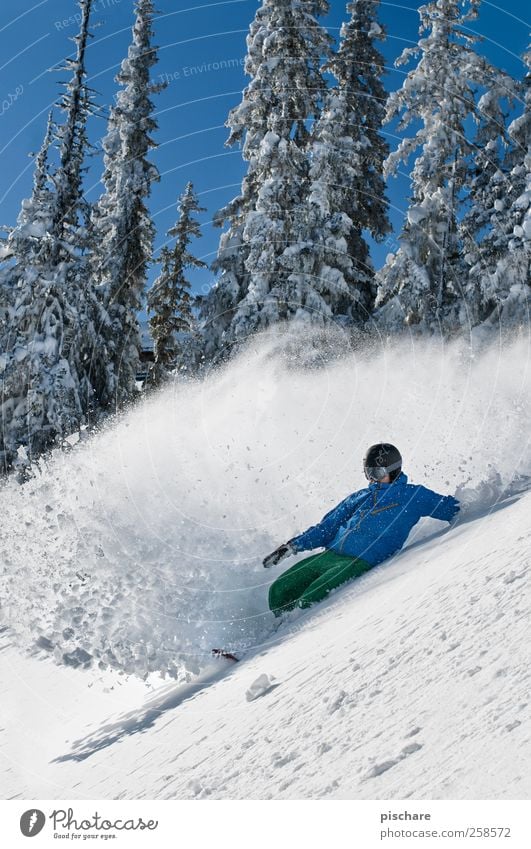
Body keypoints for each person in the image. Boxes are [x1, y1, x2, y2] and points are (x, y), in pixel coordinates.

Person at [264, 443, 460, 616]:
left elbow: (452, 509)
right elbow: (327, 527)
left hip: (360, 561)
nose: (372, 479)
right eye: (369, 473)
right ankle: (279, 628)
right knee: (280, 590)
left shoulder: (413, 495)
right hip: (330, 555)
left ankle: (291, 635)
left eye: (376, 473)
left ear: (391, 471)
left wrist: (480, 504)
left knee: (311, 597)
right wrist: (291, 546)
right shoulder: (361, 496)